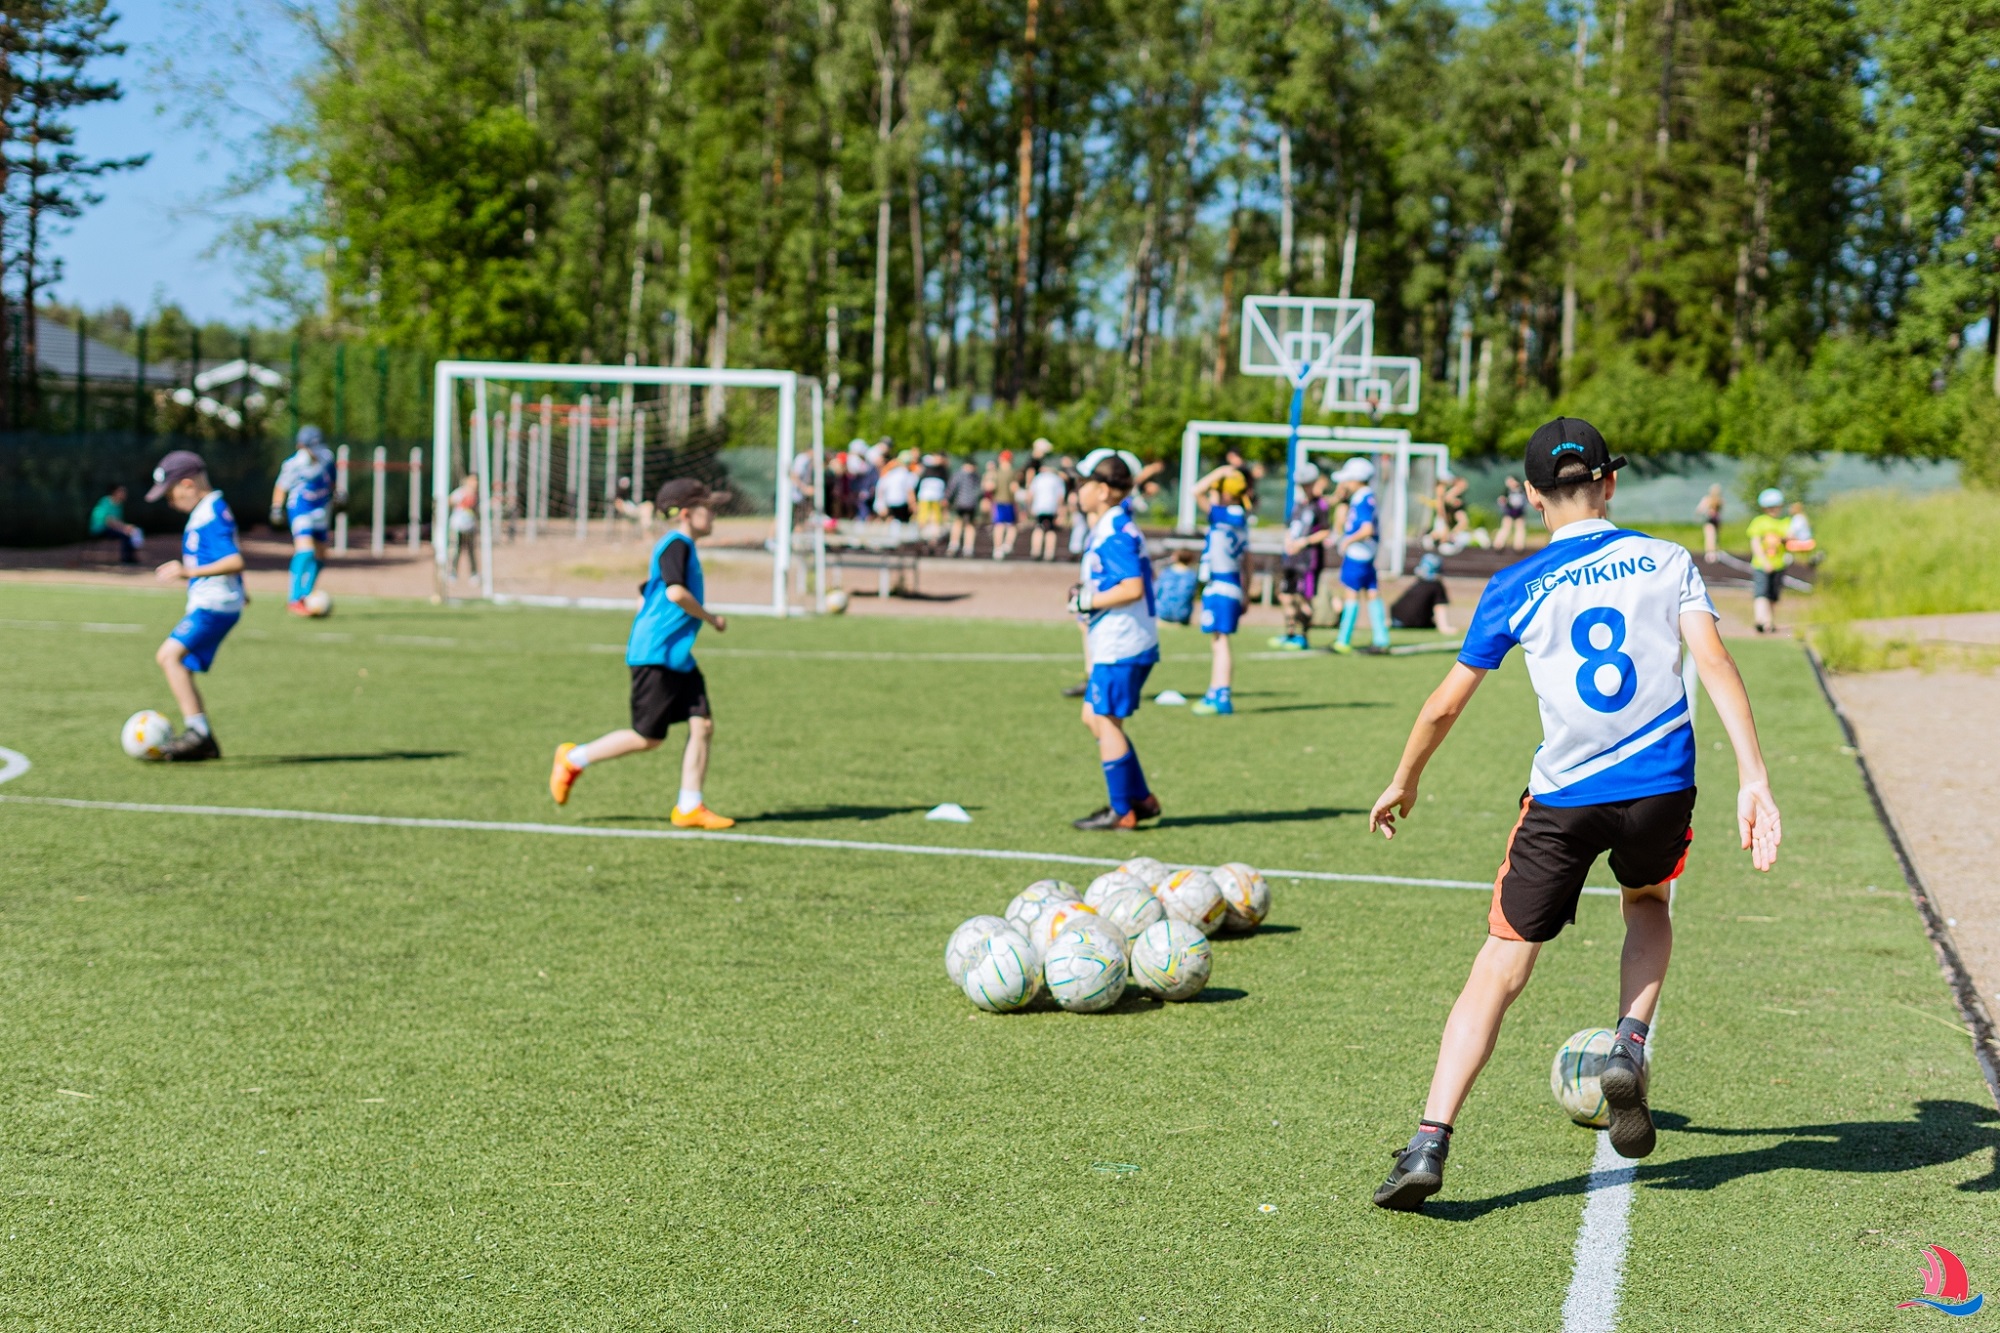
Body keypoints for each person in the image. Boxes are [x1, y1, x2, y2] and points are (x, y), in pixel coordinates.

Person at [1367, 417, 1782, 1212]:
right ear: (1611, 483)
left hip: (1563, 796)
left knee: (1502, 964)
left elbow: (1446, 704)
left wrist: (1404, 778)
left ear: (1528, 496)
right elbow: (1716, 661)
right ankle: (1629, 1042)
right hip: (1660, 784)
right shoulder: (1668, 559)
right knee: (1648, 903)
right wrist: (1753, 776)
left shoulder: (1514, 585)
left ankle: (1429, 1139)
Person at [550, 478, 736, 829]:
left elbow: (646, 591)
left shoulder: (679, 548)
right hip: (657, 654)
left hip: (676, 655)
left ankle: (689, 806)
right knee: (647, 738)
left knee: (703, 724)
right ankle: (573, 758)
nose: (713, 515)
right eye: (707, 508)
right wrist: (711, 619)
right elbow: (674, 593)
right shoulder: (677, 545)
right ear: (686, 513)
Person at [1066, 456, 1161, 831]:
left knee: (1105, 720)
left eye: (1084, 483)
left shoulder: (1116, 530)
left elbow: (1133, 586)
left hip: (1123, 642)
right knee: (1094, 717)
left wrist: (1087, 601)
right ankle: (1140, 798)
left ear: (1103, 490)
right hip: (1118, 638)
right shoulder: (1110, 525)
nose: (1078, 491)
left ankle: (1123, 810)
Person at [147, 450, 245, 761]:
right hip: (215, 603)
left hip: (214, 606)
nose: (170, 502)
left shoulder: (210, 514)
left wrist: (187, 571)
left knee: (169, 656)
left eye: (171, 494)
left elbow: (234, 560)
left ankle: (199, 734)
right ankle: (200, 734)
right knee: (179, 661)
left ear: (188, 484)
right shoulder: (209, 510)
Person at [1190, 466, 1250, 715]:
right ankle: (1215, 690)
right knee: (1218, 640)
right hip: (1231, 583)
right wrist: (1247, 589)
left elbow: (1195, 491)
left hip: (1222, 584)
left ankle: (1221, 694)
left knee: (1221, 641)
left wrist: (1220, 472)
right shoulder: (1239, 517)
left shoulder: (1225, 515)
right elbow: (1249, 559)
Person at [271, 425, 337, 615]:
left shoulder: (327, 457)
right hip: (300, 509)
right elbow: (281, 487)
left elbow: (332, 481)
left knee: (322, 554)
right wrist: (276, 508)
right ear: (301, 446)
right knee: (305, 550)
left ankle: (307, 593)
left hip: (322, 510)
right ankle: (295, 598)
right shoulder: (294, 464)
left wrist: (338, 494)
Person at [1331, 457, 1391, 655]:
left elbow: (1366, 529)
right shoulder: (1365, 497)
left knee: (1351, 593)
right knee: (1372, 592)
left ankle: (1343, 639)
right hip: (1367, 554)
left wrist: (1347, 541)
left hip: (1358, 554)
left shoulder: (1363, 499)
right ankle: (1381, 638)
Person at [1272, 463, 1329, 651]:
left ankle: (1303, 636)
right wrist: (1289, 542)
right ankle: (1289, 633)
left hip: (1308, 560)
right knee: (1285, 596)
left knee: (1305, 599)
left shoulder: (1320, 505)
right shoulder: (1298, 504)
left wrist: (1304, 542)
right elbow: (1290, 527)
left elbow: (1325, 532)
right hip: (1291, 559)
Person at [1746, 487, 1790, 635]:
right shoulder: (1759, 522)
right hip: (1761, 564)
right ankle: (1761, 620)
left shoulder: (1785, 523)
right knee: (1761, 593)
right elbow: (1756, 543)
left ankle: (1769, 621)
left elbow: (1791, 540)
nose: (1773, 510)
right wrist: (1764, 561)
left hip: (1779, 564)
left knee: (1773, 596)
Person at [1389, 553, 1454, 634]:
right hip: (1412, 623)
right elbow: (1440, 607)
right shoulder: (1436, 586)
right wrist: (1444, 627)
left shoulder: (1419, 583)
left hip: (1396, 619)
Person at [1027, 454, 1069, 561]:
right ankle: (1049, 553)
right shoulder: (1057, 479)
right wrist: (1060, 510)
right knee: (1050, 530)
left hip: (1039, 507)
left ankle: (1036, 551)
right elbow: (1060, 497)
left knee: (1039, 528)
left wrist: (1029, 507)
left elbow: (1031, 494)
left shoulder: (1038, 478)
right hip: (1051, 507)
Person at [89, 484, 143, 564]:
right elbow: (109, 521)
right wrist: (124, 528)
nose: (124, 493)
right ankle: (126, 559)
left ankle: (131, 557)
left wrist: (125, 528)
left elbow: (117, 521)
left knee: (131, 532)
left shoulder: (119, 505)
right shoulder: (106, 502)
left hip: (111, 529)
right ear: (115, 492)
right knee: (125, 535)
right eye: (121, 491)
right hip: (100, 529)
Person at [945, 460, 985, 557]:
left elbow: (952, 488)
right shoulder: (976, 476)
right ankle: (967, 547)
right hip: (970, 504)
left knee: (960, 523)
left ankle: (955, 545)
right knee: (967, 525)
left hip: (961, 503)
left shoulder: (959, 475)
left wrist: (947, 499)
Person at [986, 450, 1019, 560]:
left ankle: (997, 548)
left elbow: (989, 487)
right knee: (1011, 525)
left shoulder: (996, 472)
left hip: (998, 502)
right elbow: (1014, 488)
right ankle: (1008, 544)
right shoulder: (1012, 472)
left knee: (998, 526)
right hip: (1010, 502)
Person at [447, 474, 480, 579]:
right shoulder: (461, 492)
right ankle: (452, 573)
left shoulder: (476, 495)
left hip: (470, 527)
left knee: (471, 551)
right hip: (457, 526)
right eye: (473, 481)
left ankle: (474, 573)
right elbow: (450, 500)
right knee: (456, 550)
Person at [916, 452, 950, 544]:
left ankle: (933, 538)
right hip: (926, 497)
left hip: (936, 497)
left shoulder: (942, 470)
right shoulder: (927, 468)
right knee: (924, 516)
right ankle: (921, 536)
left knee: (936, 517)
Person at [1494, 476, 1529, 552]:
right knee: (1505, 527)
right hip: (1509, 512)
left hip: (1519, 512)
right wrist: (1504, 503)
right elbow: (1501, 500)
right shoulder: (1506, 491)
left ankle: (1519, 546)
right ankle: (1498, 544)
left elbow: (1525, 500)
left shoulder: (1522, 490)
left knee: (1520, 528)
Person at [1696, 484, 1725, 563]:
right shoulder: (1707, 499)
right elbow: (1699, 510)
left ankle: (1715, 552)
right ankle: (1710, 553)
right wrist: (1707, 511)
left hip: (1716, 521)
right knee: (1710, 537)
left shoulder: (1719, 500)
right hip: (1709, 520)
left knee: (1716, 538)